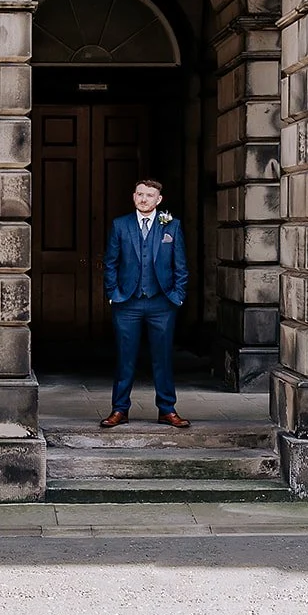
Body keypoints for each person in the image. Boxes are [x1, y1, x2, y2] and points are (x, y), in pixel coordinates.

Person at [99, 177, 190, 429]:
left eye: (149, 195)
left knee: (162, 358)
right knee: (124, 358)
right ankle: (119, 410)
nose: (143, 199)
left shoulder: (172, 225)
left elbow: (180, 266)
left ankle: (167, 410)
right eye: (139, 194)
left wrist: (177, 296)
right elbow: (111, 263)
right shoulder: (120, 225)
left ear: (158, 200)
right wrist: (113, 293)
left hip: (162, 303)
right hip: (127, 303)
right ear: (133, 196)